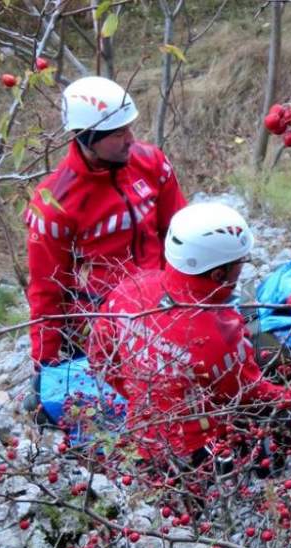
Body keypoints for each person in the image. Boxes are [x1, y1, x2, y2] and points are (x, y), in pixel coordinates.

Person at [86, 203, 291, 532]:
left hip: (145, 437)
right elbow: (252, 396)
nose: (240, 274)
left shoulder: (129, 290)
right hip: (201, 450)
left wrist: (151, 396)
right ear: (218, 274)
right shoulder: (218, 330)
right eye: (238, 267)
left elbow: (100, 358)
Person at [23, 76, 187, 405]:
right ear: (86, 138)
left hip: (168, 302)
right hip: (107, 328)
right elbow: (47, 290)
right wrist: (46, 366)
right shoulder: (54, 204)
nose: (131, 139)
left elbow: (180, 234)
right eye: (118, 133)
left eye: (130, 127)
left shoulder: (151, 163)